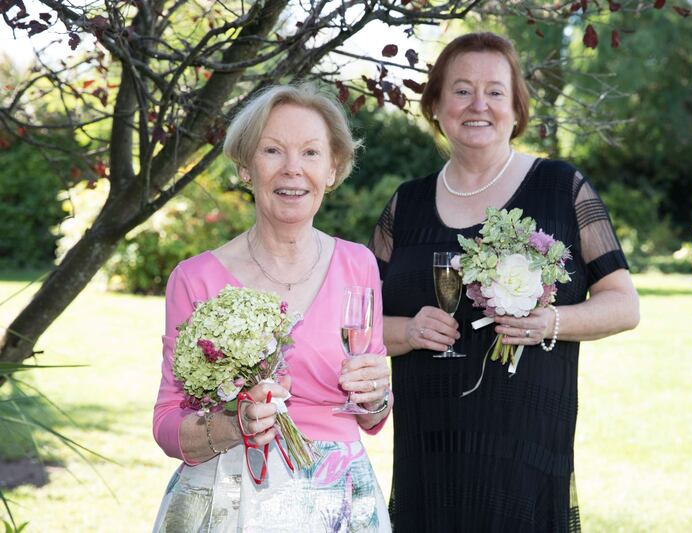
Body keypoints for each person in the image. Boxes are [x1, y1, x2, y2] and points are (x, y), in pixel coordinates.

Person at [370, 32, 640, 532]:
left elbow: (624, 305)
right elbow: (356, 323)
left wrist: (549, 322)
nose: (479, 105)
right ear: (435, 106)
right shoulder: (404, 205)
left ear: (516, 109)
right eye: (461, 90)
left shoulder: (562, 188)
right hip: (429, 456)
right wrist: (407, 332)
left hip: (525, 448)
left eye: (495, 91)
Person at [152, 84, 392, 532]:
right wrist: (233, 425)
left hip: (336, 501)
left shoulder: (358, 264)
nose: (292, 170)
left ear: (333, 168)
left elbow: (371, 413)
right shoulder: (195, 278)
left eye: (310, 153)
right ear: (246, 167)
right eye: (272, 150)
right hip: (226, 499)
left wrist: (378, 398)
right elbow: (167, 423)